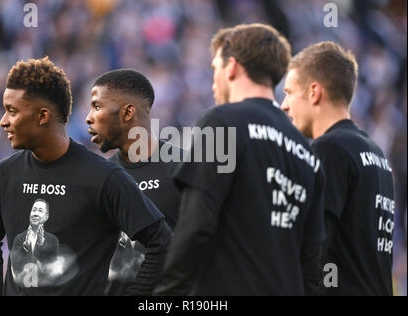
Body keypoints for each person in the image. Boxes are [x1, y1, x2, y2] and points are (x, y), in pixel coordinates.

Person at [0, 57, 172, 296]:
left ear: (42, 116)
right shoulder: (4, 174)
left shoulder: (103, 177)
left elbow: (161, 241)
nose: (3, 121)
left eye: (12, 111)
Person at [154, 24, 325, 296]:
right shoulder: (309, 156)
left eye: (214, 70)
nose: (213, 82)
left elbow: (196, 224)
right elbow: (312, 266)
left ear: (231, 67)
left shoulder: (221, 122)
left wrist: (164, 296)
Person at [281, 41, 395, 296]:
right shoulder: (376, 155)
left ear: (314, 92)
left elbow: (310, 245)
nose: (284, 105)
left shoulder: (330, 149)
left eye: (289, 92)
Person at [86, 69, 183, 295]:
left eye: (97, 106)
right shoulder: (99, 178)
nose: (89, 117)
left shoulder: (184, 168)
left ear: (127, 112)